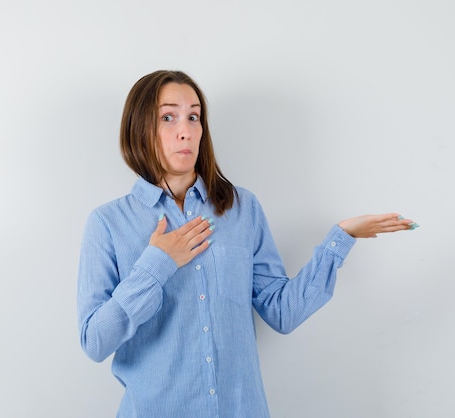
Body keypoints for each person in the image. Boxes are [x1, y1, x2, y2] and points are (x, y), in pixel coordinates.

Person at [77, 70, 418, 418]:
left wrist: (340, 239)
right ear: (139, 128)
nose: (187, 130)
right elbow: (94, 341)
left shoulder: (242, 209)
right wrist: (157, 264)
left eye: (194, 116)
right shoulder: (107, 223)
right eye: (168, 117)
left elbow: (283, 312)